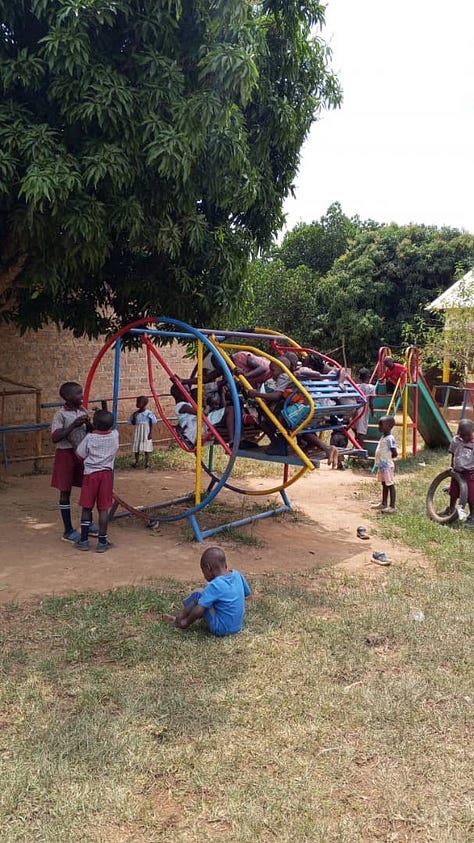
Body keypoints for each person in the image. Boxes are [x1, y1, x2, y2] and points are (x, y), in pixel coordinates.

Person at [51, 381, 99, 543]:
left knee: (88, 486)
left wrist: (88, 424)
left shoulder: (83, 410)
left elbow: (90, 431)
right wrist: (72, 425)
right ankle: (68, 530)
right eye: (78, 393)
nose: (81, 396)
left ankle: (88, 522)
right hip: (65, 455)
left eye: (81, 393)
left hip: (81, 454)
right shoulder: (60, 415)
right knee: (65, 491)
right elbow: (55, 437)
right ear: (67, 397)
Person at [164, 546, 251, 636]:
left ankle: (180, 619)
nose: (204, 575)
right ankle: (185, 614)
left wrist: (186, 623)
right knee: (207, 598)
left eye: (203, 571)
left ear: (208, 568)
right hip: (237, 626)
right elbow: (247, 593)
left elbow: (199, 610)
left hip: (221, 629)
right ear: (225, 564)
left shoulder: (214, 585)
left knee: (198, 594)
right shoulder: (237, 574)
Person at [75, 410, 119, 552]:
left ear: (94, 424)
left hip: (90, 475)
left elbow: (79, 454)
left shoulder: (90, 438)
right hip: (106, 475)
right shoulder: (115, 435)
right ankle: (102, 542)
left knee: (87, 507)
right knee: (103, 509)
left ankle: (84, 541)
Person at [446, 419, 474, 526]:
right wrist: (452, 466)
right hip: (457, 471)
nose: (465, 438)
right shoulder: (456, 440)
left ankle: (472, 515)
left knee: (471, 495)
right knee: (453, 492)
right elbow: (453, 453)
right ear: (459, 433)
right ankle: (451, 509)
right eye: (463, 435)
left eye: (468, 435)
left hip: (470, 472)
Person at [371, 415, 398, 513]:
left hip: (387, 466)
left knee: (390, 484)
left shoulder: (390, 438)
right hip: (382, 466)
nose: (379, 427)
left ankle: (392, 506)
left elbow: (394, 452)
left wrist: (388, 459)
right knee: (384, 484)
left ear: (389, 426)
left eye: (381, 425)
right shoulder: (383, 437)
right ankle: (383, 503)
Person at [129, 396, 157, 469]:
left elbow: (151, 423)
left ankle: (147, 463)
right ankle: (136, 462)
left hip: (146, 431)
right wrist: (134, 417)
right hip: (138, 431)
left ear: (144, 404)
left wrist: (150, 433)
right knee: (136, 447)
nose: (137, 404)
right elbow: (133, 423)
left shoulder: (148, 413)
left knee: (146, 447)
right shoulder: (135, 414)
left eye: (139, 402)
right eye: (137, 402)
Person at [353, 367, 376, 448]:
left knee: (355, 427)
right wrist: (373, 413)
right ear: (369, 377)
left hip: (355, 409)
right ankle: (361, 450)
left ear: (359, 377)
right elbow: (371, 402)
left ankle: (356, 441)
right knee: (361, 432)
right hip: (363, 410)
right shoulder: (371, 388)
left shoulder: (356, 386)